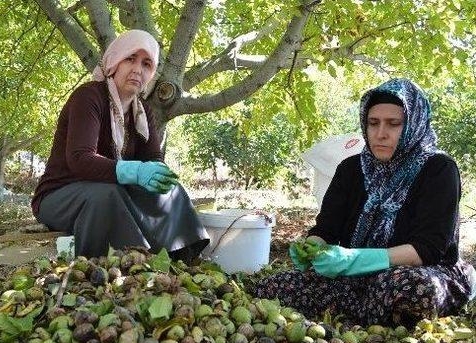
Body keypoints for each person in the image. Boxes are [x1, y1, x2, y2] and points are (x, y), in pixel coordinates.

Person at [248, 78, 475, 327]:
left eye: (394, 124)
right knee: (275, 285)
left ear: (413, 124)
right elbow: (326, 229)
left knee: (409, 288)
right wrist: (310, 248)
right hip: (353, 277)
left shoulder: (438, 169)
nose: (381, 134)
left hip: (417, 271)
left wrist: (354, 259)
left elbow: (428, 249)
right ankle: (364, 309)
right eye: (373, 123)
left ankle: (363, 307)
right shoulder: (351, 169)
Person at [32, 29, 209, 261]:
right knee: (107, 195)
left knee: (172, 192)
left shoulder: (142, 110)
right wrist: (133, 171)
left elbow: (153, 158)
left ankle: (175, 261)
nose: (137, 69)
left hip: (111, 190)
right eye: (130, 59)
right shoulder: (88, 97)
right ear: (114, 62)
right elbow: (80, 159)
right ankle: (118, 267)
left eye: (146, 64)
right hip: (59, 194)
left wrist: (158, 174)